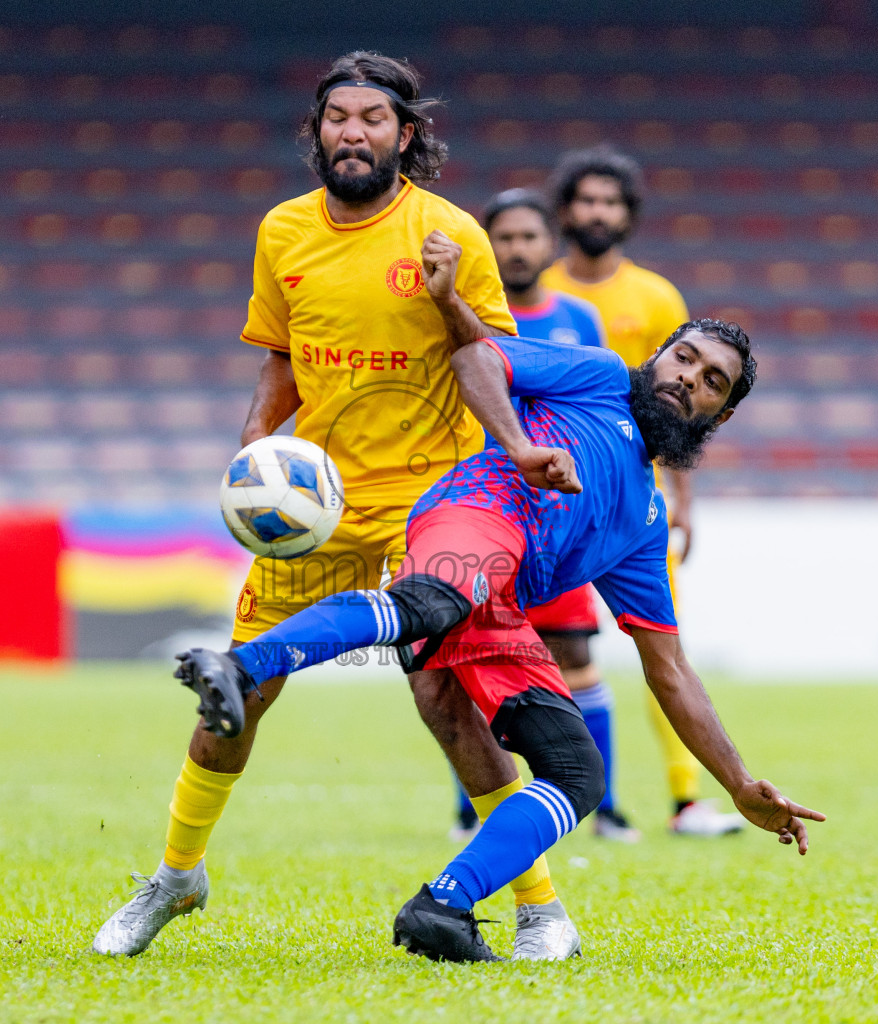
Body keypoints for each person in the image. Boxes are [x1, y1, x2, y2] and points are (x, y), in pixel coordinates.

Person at [92, 51, 581, 960]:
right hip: (312, 503)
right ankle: (176, 877)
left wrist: (512, 443)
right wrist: (252, 449)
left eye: (372, 118)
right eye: (337, 118)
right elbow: (279, 357)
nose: (352, 132)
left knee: (447, 697)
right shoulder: (283, 231)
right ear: (316, 131)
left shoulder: (449, 234)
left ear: (406, 133)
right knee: (239, 692)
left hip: (432, 504)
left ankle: (539, 909)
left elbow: (490, 358)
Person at [176, 319, 823, 961]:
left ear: (721, 414)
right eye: (683, 357)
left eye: (713, 381)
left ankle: (443, 907)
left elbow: (671, 671)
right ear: (658, 355)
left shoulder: (646, 521)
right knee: (435, 599)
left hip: (498, 608)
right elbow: (476, 359)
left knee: (577, 772)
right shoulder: (597, 375)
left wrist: (739, 784)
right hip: (473, 514)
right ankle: (240, 666)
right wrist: (518, 446)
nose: (688, 378)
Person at [542, 145, 742, 837]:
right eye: (587, 199)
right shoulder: (537, 289)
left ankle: (686, 799)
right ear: (565, 210)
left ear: (627, 216)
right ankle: (543, 796)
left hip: (633, 506)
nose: (597, 212)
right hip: (544, 496)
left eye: (611, 202)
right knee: (545, 651)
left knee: (660, 645)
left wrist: (684, 501)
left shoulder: (655, 298)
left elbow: (689, 407)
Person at [446, 187, 644, 844]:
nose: (517, 249)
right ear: (487, 247)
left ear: (548, 245)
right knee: (475, 659)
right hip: (485, 512)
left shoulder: (578, 318)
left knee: (576, 659)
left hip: (556, 521)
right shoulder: (471, 317)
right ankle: (476, 807)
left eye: (529, 237)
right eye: (503, 238)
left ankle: (606, 806)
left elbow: (596, 404)